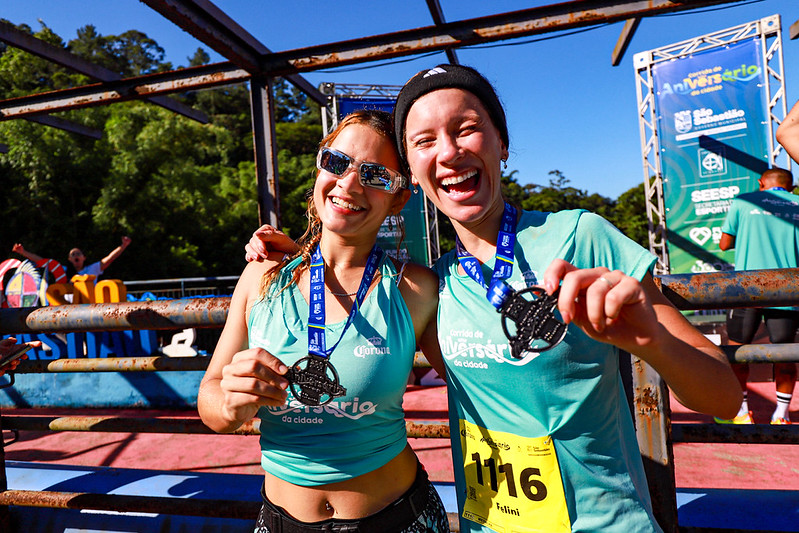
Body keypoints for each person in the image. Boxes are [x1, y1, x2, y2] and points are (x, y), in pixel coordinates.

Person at [246, 64, 741, 533]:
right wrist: (301, 257)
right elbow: (344, 281)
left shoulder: (581, 236)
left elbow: (722, 396)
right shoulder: (434, 286)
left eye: (466, 128)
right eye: (424, 141)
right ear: (413, 179)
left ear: (501, 143)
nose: (449, 152)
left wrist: (651, 342)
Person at [198, 110, 450, 533]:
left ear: (398, 198)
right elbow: (210, 398)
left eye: (375, 176)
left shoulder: (416, 289)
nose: (349, 184)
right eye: (336, 163)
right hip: (280, 521)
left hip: (399, 521)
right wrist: (229, 404)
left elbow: (484, 386)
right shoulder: (261, 276)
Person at [717, 167, 799, 425]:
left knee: (737, 350)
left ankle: (741, 413)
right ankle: (781, 416)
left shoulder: (744, 200)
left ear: (761, 184)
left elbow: (724, 243)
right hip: (788, 288)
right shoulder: (798, 203)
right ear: (791, 188)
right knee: (785, 352)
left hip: (746, 286)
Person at [12, 236, 132, 279]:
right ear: (69, 259)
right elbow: (42, 261)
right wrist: (23, 252)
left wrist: (124, 245)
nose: (75, 256)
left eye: (78, 253)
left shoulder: (93, 269)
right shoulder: (63, 271)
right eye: (72, 254)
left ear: (84, 258)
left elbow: (110, 258)